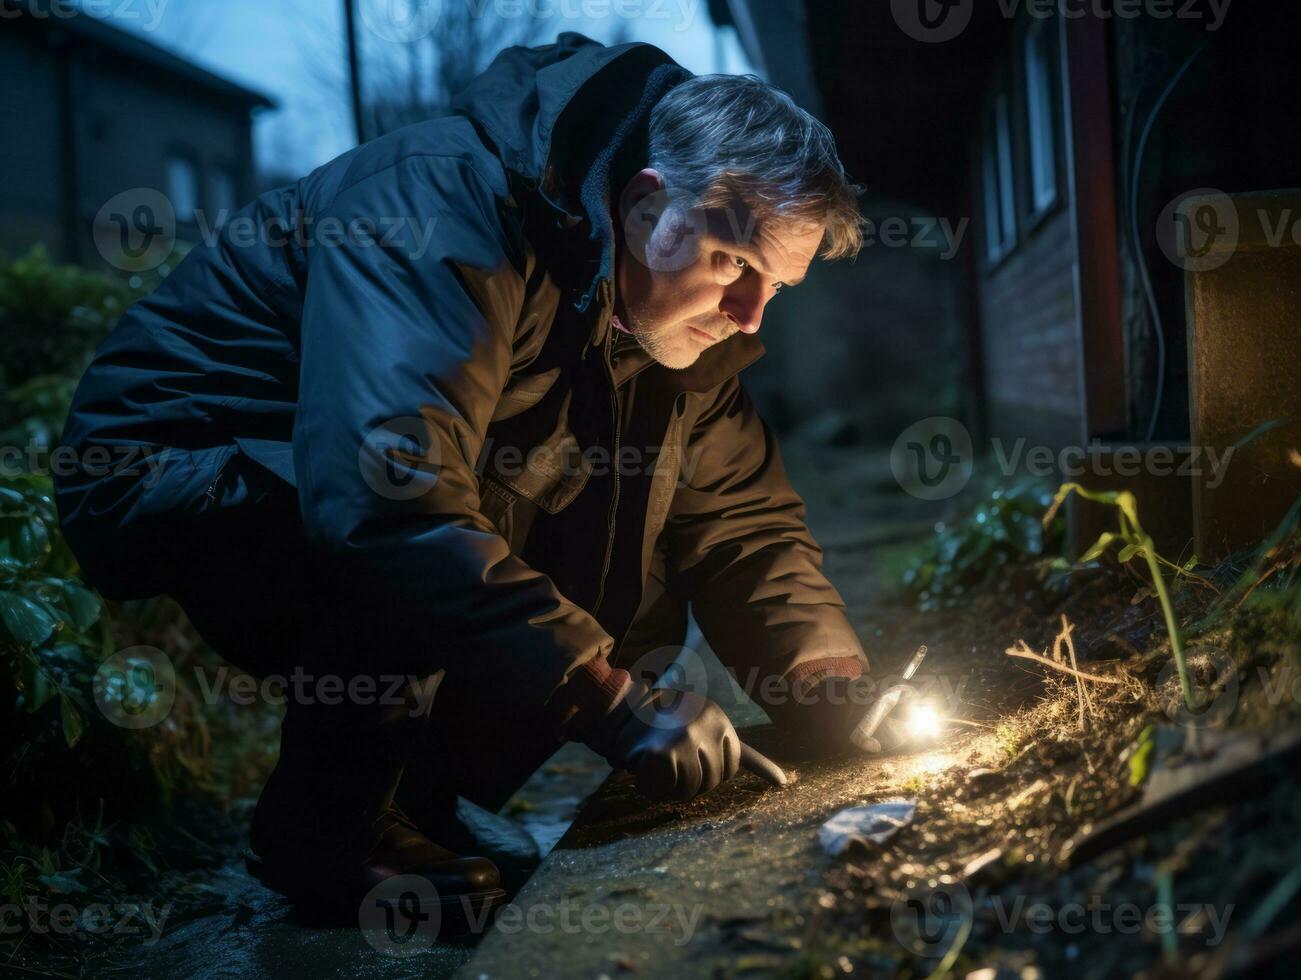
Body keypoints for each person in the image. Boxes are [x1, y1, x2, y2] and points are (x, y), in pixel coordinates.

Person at [55, 33, 872, 922]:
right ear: (645, 206)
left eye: (775, 287)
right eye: (735, 266)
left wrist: (825, 688)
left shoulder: (669, 315)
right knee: (424, 531)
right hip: (175, 461)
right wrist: (606, 702)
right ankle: (329, 831)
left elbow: (743, 528)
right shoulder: (438, 211)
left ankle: (417, 802)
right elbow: (382, 496)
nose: (749, 315)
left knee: (626, 566)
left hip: (335, 468)